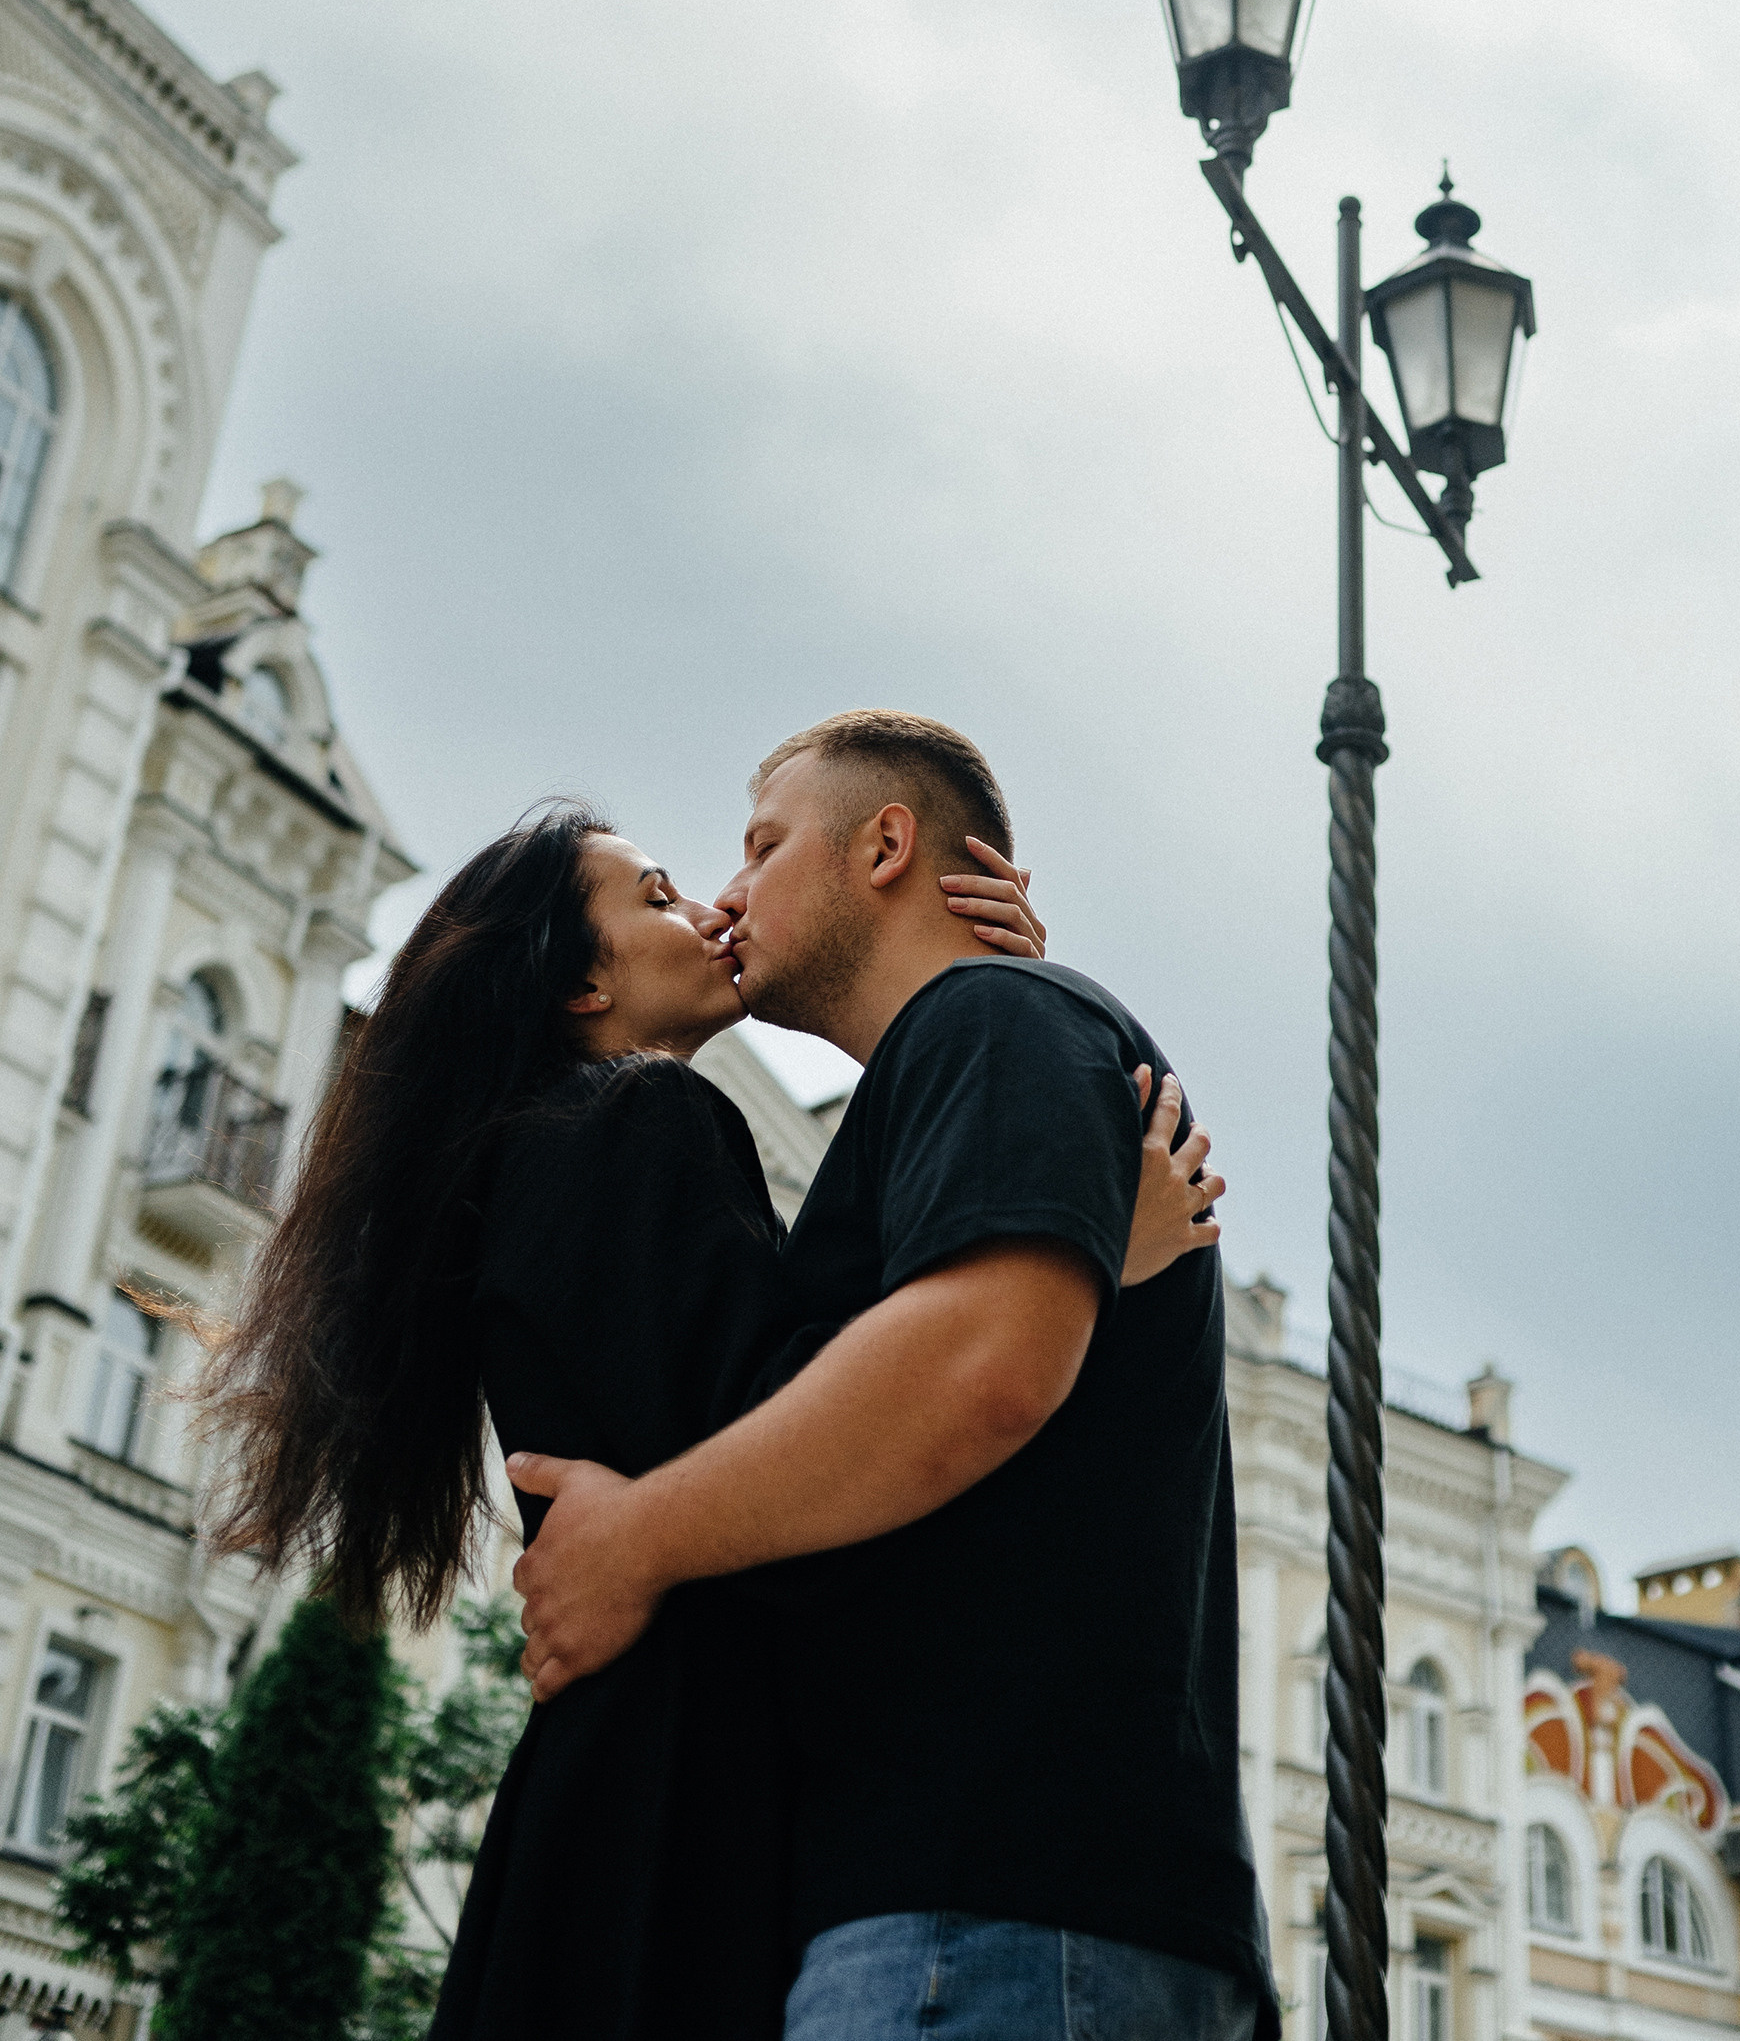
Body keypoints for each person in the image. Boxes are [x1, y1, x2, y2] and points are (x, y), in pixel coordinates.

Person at [198, 794, 1221, 2041]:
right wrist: (1076, 1255)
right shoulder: (643, 1118)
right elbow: (805, 1426)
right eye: (662, 893)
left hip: (635, 1773)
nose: (715, 906)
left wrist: (973, 1048)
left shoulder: (553, 1153)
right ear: (579, 983)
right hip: (691, 1787)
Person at [509, 708, 1276, 2041]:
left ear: (884, 843)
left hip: (994, 1909)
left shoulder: (996, 1017)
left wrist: (635, 1535)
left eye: (759, 845)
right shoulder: (974, 1054)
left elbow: (976, 1370)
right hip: (997, 1908)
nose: (728, 888)